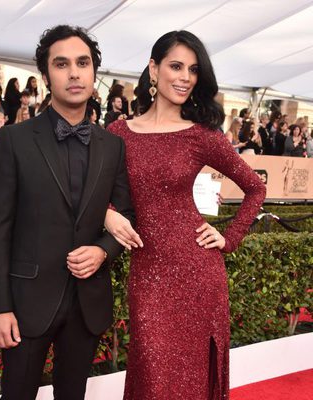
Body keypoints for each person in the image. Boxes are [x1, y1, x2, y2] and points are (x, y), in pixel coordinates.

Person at [105, 30, 266, 399]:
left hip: (198, 272)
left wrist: (229, 237)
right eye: (175, 66)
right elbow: (92, 193)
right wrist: (106, 215)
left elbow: (255, 187)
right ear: (153, 68)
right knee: (152, 370)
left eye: (192, 70)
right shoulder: (118, 133)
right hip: (147, 273)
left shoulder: (201, 136)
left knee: (189, 379)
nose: (184, 77)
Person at [0, 24, 135, 400]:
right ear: (46, 75)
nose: (74, 73)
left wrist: (103, 250)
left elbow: (126, 214)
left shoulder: (113, 146)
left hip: (87, 304)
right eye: (62, 63)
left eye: (83, 63)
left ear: (94, 73)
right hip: (26, 302)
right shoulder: (14, 140)